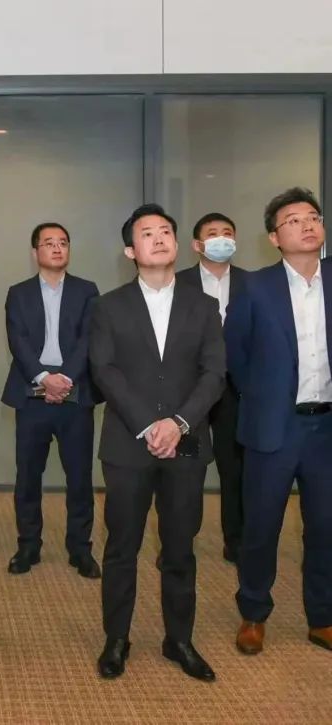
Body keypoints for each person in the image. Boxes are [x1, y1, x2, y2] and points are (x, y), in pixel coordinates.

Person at [89, 203, 224, 682]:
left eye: (166, 230)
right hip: (129, 443)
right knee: (121, 546)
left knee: (180, 547)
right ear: (131, 250)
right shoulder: (107, 306)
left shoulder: (203, 305)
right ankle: (117, 638)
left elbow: (214, 372)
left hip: (186, 443)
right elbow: (104, 370)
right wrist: (150, 424)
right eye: (147, 233)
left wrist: (180, 423)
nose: (159, 237)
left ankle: (179, 639)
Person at [225, 187, 332, 655]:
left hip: (326, 428)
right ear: (273, 237)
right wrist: (264, 399)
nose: (307, 225)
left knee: (325, 526)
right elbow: (235, 355)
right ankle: (253, 612)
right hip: (274, 426)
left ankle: (323, 616)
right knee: (262, 526)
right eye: (293, 220)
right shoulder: (254, 287)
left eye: (313, 217)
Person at [1, 223, 100, 578]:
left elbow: (89, 340)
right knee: (28, 476)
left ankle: (80, 548)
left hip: (76, 392)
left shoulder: (87, 290)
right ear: (35, 252)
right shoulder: (18, 293)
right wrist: (45, 378)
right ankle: (28, 545)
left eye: (63, 243)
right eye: (49, 243)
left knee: (80, 477)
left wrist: (65, 379)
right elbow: (18, 341)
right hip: (32, 393)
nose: (57, 248)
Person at [176, 212, 248, 564]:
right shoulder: (178, 283)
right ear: (197, 244)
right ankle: (178, 542)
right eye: (213, 233)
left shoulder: (252, 283)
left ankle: (237, 541)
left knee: (235, 470)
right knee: (187, 471)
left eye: (228, 233)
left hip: (236, 392)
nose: (222, 239)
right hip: (190, 394)